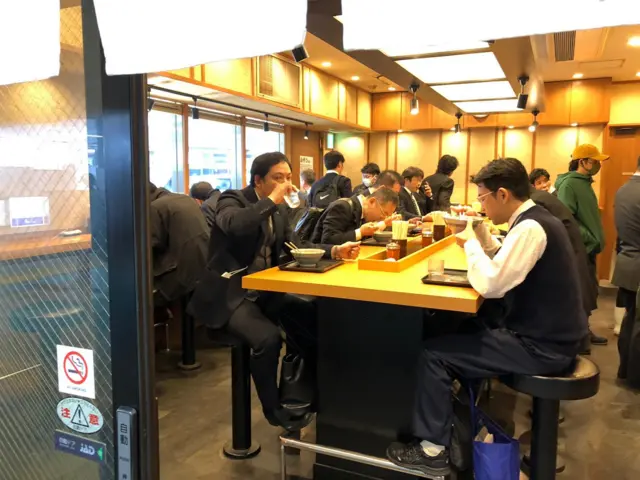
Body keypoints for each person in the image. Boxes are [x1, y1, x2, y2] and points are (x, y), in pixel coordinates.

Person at [386, 158, 586, 477]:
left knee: (433, 353)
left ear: (502, 194)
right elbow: (506, 258)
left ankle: (432, 451)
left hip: (543, 346)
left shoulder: (532, 227)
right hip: (550, 337)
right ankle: (458, 423)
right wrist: (479, 231)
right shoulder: (533, 220)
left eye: (483, 198)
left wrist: (468, 245)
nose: (482, 205)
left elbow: (492, 283)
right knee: (462, 326)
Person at [187, 152, 360, 431]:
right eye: (277, 178)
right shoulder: (233, 199)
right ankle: (273, 409)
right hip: (231, 290)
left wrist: (335, 250)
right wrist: (272, 200)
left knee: (312, 317)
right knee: (267, 339)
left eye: (288, 178)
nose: (286, 184)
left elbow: (294, 246)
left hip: (265, 289)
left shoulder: (278, 210)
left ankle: (306, 391)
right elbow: (234, 224)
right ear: (258, 180)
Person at [529, 184, 596, 353]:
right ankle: (581, 340)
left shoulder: (536, 202)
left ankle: (579, 343)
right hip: (572, 250)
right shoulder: (541, 197)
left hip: (569, 252)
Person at [555, 144, 609, 346]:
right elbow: (566, 218)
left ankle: (583, 331)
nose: (598, 165)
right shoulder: (569, 184)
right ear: (582, 162)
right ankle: (578, 337)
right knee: (580, 292)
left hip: (588, 248)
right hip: (580, 248)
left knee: (588, 291)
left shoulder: (585, 183)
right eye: (594, 161)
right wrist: (589, 238)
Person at [149, 183, 210, 306]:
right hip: (203, 271)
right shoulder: (186, 199)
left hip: (180, 279)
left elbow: (150, 246)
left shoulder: (155, 207)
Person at [612, 157, 640, 388]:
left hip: (627, 260)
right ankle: (635, 376)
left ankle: (625, 369)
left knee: (631, 319)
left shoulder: (623, 190)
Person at [314, 187, 399, 245]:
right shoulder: (342, 207)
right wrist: (360, 232)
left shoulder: (363, 212)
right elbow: (327, 240)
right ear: (372, 202)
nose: (383, 218)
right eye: (384, 213)